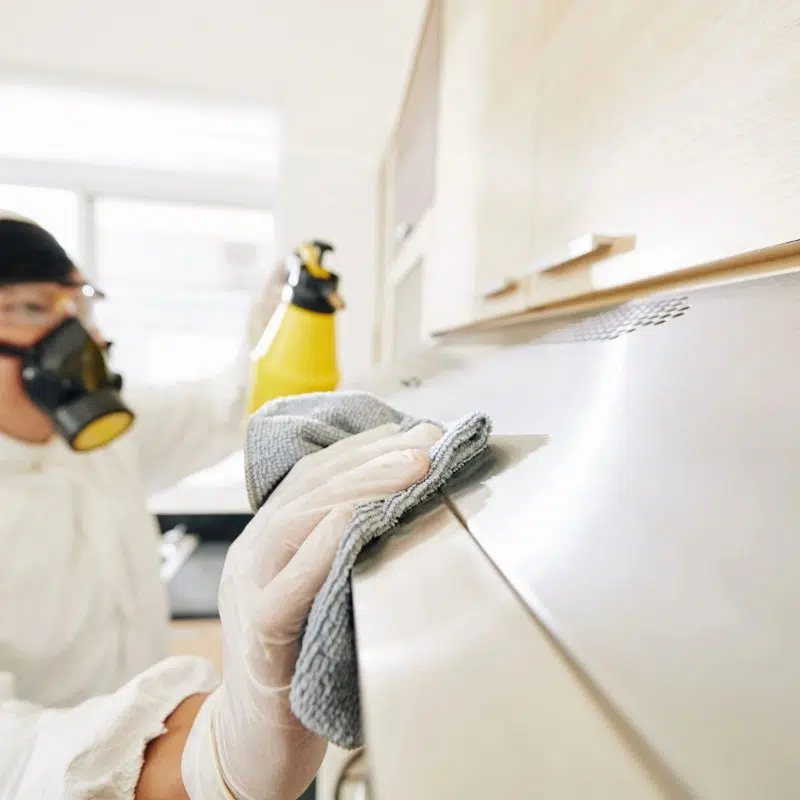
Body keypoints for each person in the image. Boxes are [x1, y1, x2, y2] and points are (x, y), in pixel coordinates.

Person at [0, 212, 443, 798]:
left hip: (163, 736)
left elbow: (231, 405)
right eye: (33, 307)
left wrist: (282, 316)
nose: (78, 335)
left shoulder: (101, 439)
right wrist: (211, 753)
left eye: (78, 305)